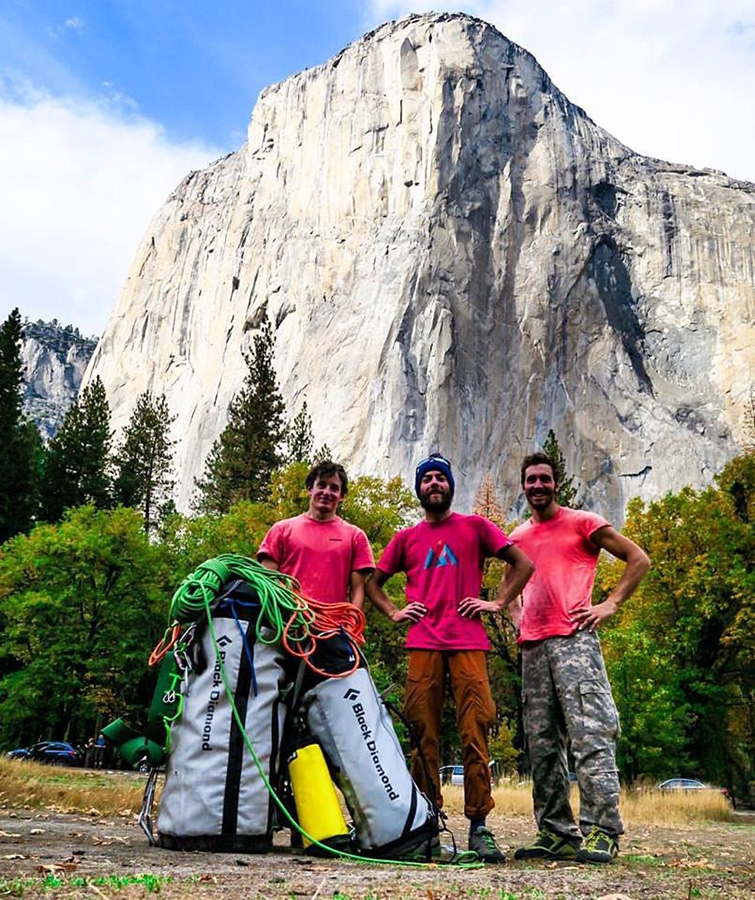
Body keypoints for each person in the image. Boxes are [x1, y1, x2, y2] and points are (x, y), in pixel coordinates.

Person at [366, 453, 534, 863]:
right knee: (422, 734)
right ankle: (427, 827)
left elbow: (523, 563)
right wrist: (393, 612)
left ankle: (479, 828)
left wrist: (498, 602)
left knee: (475, 729)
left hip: (468, 641)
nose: (435, 484)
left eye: (441, 478)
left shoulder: (475, 527)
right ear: (420, 489)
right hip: (423, 642)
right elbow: (373, 582)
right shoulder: (406, 538)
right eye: (428, 479)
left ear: (450, 486)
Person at [509, 452, 650, 864]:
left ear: (556, 482)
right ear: (524, 486)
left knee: (591, 734)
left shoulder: (582, 522)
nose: (538, 486)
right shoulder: (517, 537)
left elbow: (638, 558)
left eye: (544, 479)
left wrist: (610, 604)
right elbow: (509, 586)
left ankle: (602, 830)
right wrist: (518, 619)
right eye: (531, 480)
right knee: (542, 744)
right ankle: (555, 831)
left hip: (575, 642)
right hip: (533, 649)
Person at [257, 459, 374, 608]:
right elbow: (268, 579)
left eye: (334, 488)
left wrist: (352, 626)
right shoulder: (281, 530)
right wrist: (294, 605)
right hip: (288, 624)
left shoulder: (355, 537)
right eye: (321, 485)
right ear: (309, 489)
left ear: (342, 496)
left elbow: (358, 590)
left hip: (333, 626)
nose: (326, 492)